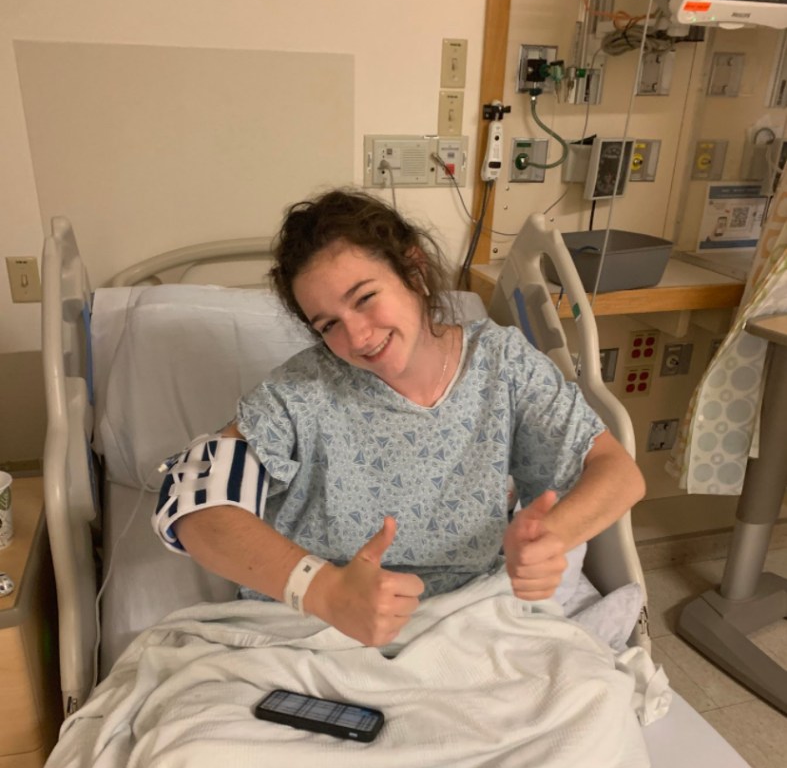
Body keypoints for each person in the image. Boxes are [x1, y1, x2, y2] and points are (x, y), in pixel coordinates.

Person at [154, 188, 645, 647]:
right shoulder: (298, 394)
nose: (358, 337)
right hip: (317, 627)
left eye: (365, 298)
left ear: (413, 270)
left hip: (462, 620)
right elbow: (197, 509)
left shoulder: (503, 366)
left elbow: (617, 472)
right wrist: (323, 590)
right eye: (328, 326)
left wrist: (550, 540)